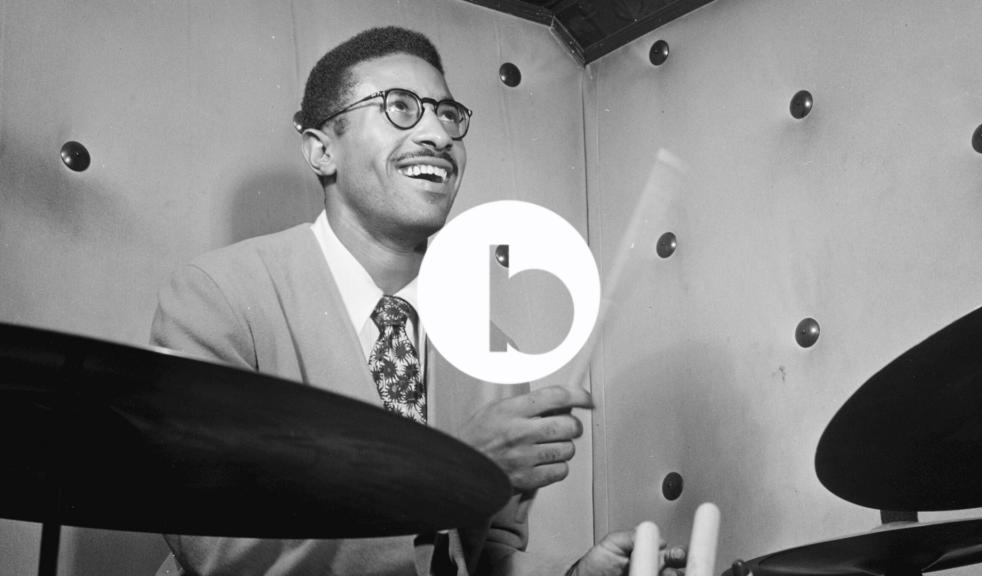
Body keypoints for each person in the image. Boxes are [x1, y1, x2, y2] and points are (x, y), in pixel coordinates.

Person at [152, 26, 686, 576]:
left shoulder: (494, 355)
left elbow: (481, 558)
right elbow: (221, 552)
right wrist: (449, 478)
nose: (437, 133)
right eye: (400, 107)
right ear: (321, 149)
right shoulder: (218, 298)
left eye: (448, 114)